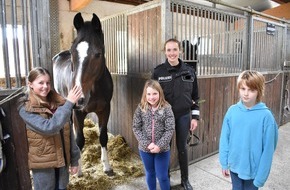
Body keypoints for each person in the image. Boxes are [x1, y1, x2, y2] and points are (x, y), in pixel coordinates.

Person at [17, 67, 83, 190]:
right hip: (44, 165)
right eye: (40, 83)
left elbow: (70, 135)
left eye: (48, 82)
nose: (45, 86)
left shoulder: (60, 104)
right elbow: (49, 127)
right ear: (30, 84)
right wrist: (69, 103)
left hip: (62, 162)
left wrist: (74, 160)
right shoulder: (26, 108)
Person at [152, 38, 200, 190]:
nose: (172, 53)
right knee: (164, 148)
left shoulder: (189, 71)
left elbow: (195, 96)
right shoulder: (158, 72)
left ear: (180, 51)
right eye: (169, 50)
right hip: (163, 117)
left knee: (182, 148)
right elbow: (151, 95)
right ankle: (164, 178)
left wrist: (195, 117)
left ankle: (185, 180)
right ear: (165, 52)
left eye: (175, 49)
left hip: (183, 116)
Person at [219, 70, 278, 190]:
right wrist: (224, 162)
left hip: (253, 173)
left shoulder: (266, 117)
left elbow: (268, 149)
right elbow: (224, 138)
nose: (246, 94)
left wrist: (261, 177)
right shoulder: (232, 111)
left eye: (251, 90)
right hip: (234, 167)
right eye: (243, 89)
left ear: (259, 91)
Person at [132, 79, 175, 190]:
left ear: (160, 93)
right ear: (145, 95)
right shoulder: (140, 108)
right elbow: (136, 128)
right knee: (150, 173)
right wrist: (147, 144)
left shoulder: (167, 108)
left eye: (155, 93)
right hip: (145, 149)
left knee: (162, 176)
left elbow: (169, 129)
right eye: (149, 94)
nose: (152, 97)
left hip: (162, 149)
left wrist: (159, 146)